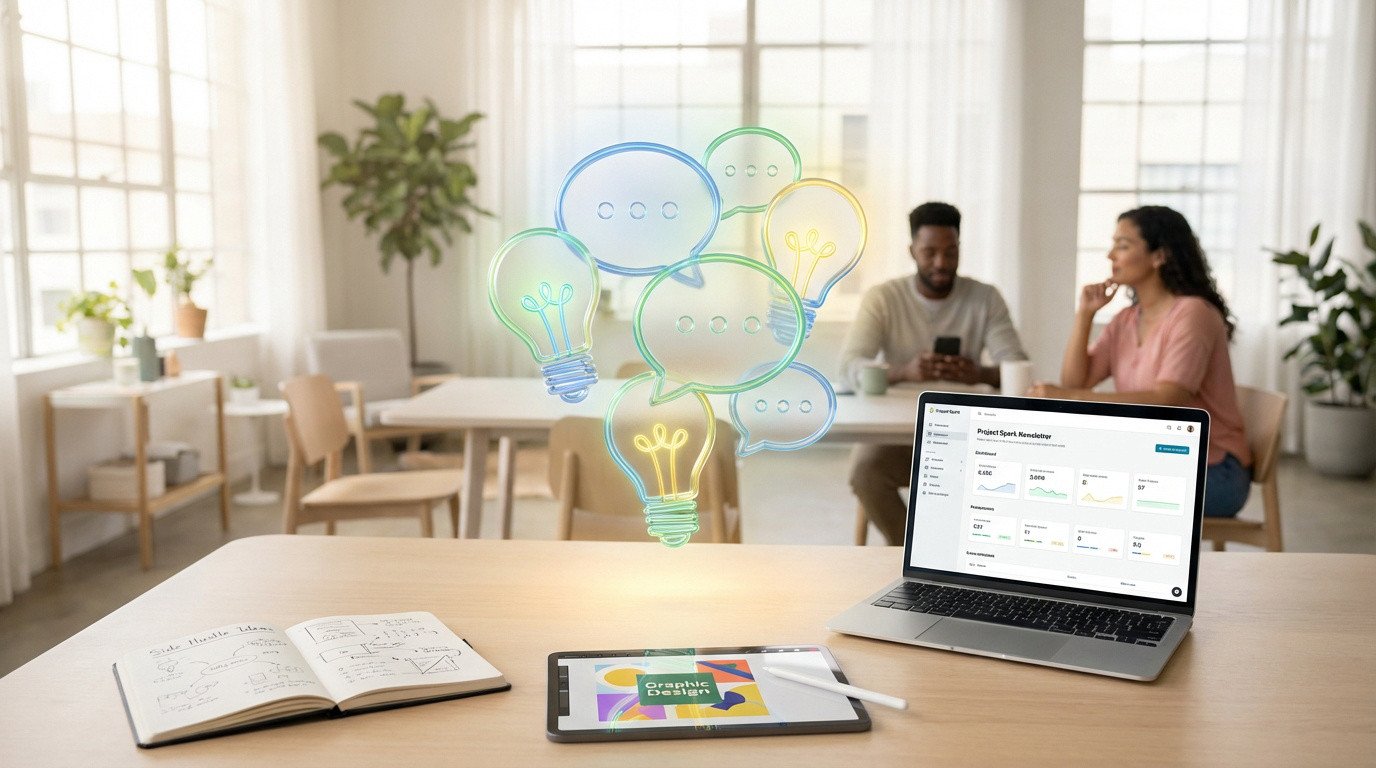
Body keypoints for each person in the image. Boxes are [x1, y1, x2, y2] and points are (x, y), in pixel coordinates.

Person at [1029, 205, 1252, 517]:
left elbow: (1168, 398)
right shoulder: (1126, 319)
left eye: (1123, 245)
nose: (1111, 256)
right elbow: (1075, 381)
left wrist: (1072, 398)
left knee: (1085, 491)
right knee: (1062, 478)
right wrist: (1085, 315)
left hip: (1212, 468)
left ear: (1159, 256)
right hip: (1154, 459)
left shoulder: (1193, 314)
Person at [840, 201, 1028, 544]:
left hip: (966, 431)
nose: (941, 263)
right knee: (865, 472)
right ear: (912, 250)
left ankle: (957, 553)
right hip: (896, 432)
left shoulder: (985, 298)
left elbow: (1017, 369)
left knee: (1007, 473)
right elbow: (849, 367)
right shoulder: (884, 298)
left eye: (950, 252)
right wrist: (903, 371)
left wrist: (979, 374)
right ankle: (915, 549)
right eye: (929, 253)